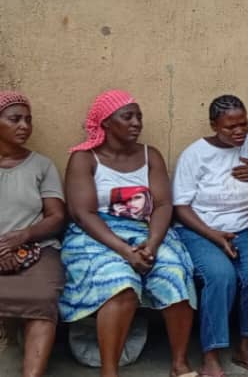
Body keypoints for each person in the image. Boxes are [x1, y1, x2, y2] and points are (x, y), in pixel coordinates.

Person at [61, 90, 197, 377]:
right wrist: (124, 251)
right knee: (120, 282)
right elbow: (83, 213)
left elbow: (162, 205)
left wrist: (153, 244)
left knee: (174, 272)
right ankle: (109, 372)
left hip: (147, 231)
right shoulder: (84, 159)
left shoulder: (151, 156)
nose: (136, 123)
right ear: (106, 123)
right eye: (128, 117)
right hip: (97, 235)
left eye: (139, 117)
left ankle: (179, 363)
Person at [172, 95, 248, 376]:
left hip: (244, 229)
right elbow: (180, 207)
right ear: (213, 125)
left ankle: (245, 346)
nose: (239, 131)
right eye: (230, 127)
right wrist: (213, 235)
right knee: (220, 276)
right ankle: (211, 354)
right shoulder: (194, 154)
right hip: (199, 231)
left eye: (243, 124)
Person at [0, 92, 66, 377]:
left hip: (35, 248)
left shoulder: (42, 165)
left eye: (28, 120)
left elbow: (56, 216)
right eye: (15, 119)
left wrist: (23, 236)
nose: (24, 126)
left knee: (42, 298)